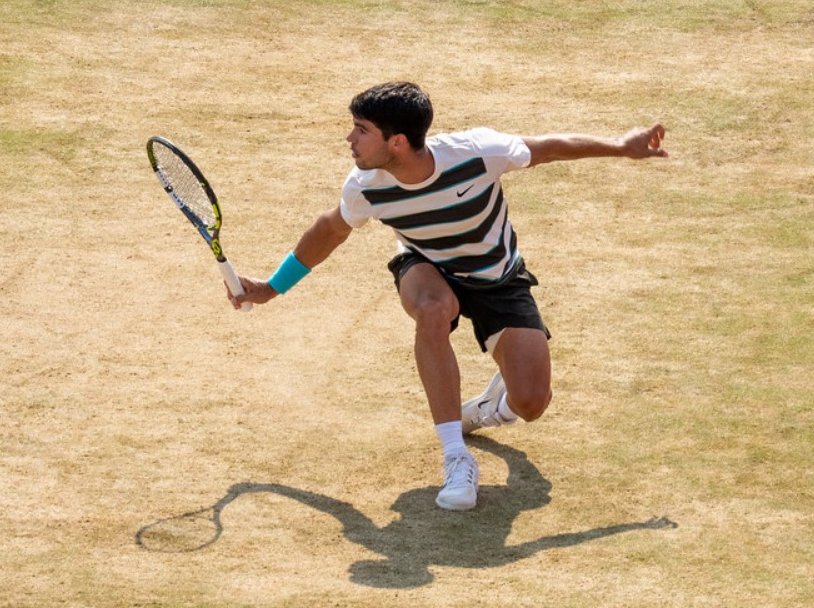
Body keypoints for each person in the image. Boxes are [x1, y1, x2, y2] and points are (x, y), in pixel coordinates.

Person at [230, 81, 668, 512]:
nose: (350, 138)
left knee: (532, 403)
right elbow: (331, 229)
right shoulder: (365, 185)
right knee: (433, 310)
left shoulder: (477, 152)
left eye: (361, 130)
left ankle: (488, 408)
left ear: (398, 141)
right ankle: (457, 458)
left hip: (499, 278)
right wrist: (271, 287)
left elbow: (550, 147)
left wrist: (621, 147)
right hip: (427, 268)